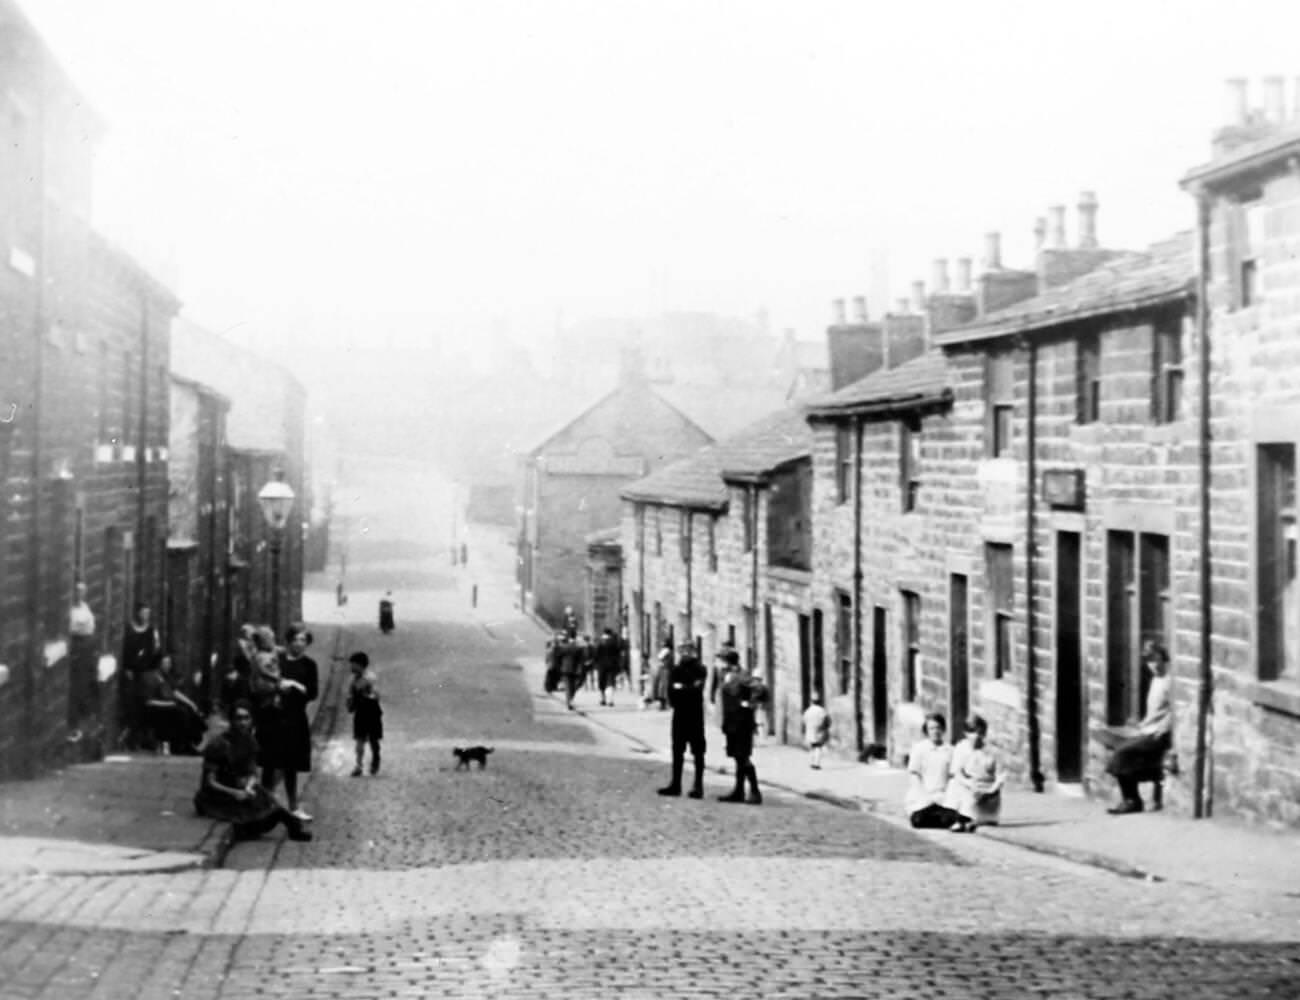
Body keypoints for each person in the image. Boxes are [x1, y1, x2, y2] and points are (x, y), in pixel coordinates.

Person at [194, 701, 312, 842]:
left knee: (271, 804)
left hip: (240, 787)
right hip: (216, 796)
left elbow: (252, 772)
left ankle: (294, 828)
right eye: (239, 718)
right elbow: (210, 782)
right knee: (246, 817)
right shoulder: (218, 744)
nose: (243, 723)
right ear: (231, 721)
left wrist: (250, 785)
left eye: (246, 718)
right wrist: (235, 792)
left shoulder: (250, 742)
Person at [1105, 639, 1173, 815]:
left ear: (1164, 658)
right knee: (1119, 750)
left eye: (1155, 659)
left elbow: (1175, 709)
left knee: (1122, 754)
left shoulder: (1170, 680)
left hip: (1159, 735)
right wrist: (1141, 725)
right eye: (1149, 661)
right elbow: (1155, 711)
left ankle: (1132, 800)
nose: (1152, 665)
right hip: (1148, 730)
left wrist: (1164, 726)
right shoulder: (1155, 680)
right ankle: (1131, 798)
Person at [269, 624, 319, 821]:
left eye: (303, 641)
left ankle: (292, 805)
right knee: (271, 762)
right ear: (288, 641)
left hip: (295, 716)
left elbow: (313, 693)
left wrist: (297, 688)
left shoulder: (309, 665)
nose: (299, 644)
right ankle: (268, 804)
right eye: (296, 640)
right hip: (274, 715)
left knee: (291, 764)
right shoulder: (278, 661)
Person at [657, 642, 709, 799]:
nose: (685, 654)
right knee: (677, 750)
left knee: (698, 751)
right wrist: (687, 688)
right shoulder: (676, 670)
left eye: (688, 651)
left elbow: (696, 689)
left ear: (693, 652)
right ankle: (676, 784)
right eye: (683, 651)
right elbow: (672, 692)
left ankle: (698, 786)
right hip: (680, 714)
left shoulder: (700, 669)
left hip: (695, 714)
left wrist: (683, 689)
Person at [717, 649, 767, 804]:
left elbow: (760, 688)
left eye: (720, 660)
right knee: (738, 758)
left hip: (742, 724)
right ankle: (738, 791)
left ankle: (755, 791)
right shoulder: (727, 676)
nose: (718, 663)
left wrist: (749, 704)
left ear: (726, 661)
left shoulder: (741, 675)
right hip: (732, 722)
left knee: (743, 757)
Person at [945, 714, 1004, 832]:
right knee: (954, 784)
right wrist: (970, 785)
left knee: (973, 802)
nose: (976, 736)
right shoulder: (961, 748)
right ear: (966, 734)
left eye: (980, 733)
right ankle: (964, 819)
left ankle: (970, 819)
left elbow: (1000, 777)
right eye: (972, 732)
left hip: (987, 791)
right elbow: (957, 773)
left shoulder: (993, 751)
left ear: (984, 734)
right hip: (970, 788)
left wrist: (990, 791)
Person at [138, 656, 206, 755]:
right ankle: (181, 746)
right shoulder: (151, 677)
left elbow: (174, 691)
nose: (168, 665)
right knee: (181, 713)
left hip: (170, 706)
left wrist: (190, 703)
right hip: (156, 708)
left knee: (189, 710)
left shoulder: (167, 676)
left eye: (169, 663)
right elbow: (149, 701)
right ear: (160, 664)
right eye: (166, 663)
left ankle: (192, 742)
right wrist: (168, 704)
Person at [905, 712, 958, 829]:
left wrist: (947, 795)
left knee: (948, 817)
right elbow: (914, 775)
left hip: (943, 796)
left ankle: (944, 818)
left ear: (943, 729)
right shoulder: (919, 749)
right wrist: (924, 795)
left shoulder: (950, 750)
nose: (935, 731)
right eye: (932, 728)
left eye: (938, 727)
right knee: (918, 820)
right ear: (927, 731)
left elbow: (953, 777)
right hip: (923, 797)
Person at [120, 602, 162, 748]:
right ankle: (133, 737)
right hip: (134, 673)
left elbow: (156, 651)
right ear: (138, 613)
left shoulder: (152, 631)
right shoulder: (131, 630)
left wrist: (152, 668)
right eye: (143, 612)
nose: (146, 615)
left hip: (146, 673)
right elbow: (127, 649)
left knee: (145, 704)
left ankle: (144, 737)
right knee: (132, 705)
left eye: (148, 613)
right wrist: (127, 667)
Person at [66, 581, 98, 743]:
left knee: (86, 686)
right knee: (76, 688)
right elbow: (73, 628)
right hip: (77, 649)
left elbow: (90, 627)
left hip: (87, 650)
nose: (81, 594)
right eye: (78, 591)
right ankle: (74, 726)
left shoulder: (85, 607)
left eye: (83, 591)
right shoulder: (71, 609)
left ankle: (83, 727)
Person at [346, 652, 383, 776]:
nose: (351, 667)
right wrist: (350, 703)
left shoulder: (370, 678)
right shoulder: (352, 679)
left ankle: (375, 760)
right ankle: (358, 765)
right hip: (360, 712)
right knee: (359, 739)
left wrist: (367, 694)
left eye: (353, 664)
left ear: (360, 665)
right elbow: (350, 695)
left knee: (374, 739)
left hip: (372, 711)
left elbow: (376, 695)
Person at [802, 693, 830, 770]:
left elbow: (804, 720)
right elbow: (826, 720)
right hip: (818, 730)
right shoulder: (822, 710)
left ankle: (811, 763)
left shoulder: (808, 710)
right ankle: (816, 764)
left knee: (812, 747)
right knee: (818, 747)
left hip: (810, 730)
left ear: (812, 701)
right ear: (819, 701)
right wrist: (824, 727)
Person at [595, 628, 622, 706]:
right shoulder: (614, 643)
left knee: (602, 683)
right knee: (610, 683)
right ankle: (610, 700)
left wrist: (596, 664)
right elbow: (618, 655)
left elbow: (596, 655)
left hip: (601, 666)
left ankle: (602, 699)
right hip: (612, 666)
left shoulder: (599, 642)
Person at [559, 632, 583, 710]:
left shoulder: (564, 647)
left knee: (568, 686)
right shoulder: (578, 648)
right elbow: (581, 660)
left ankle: (568, 701)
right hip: (575, 669)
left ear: (569, 639)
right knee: (573, 686)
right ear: (575, 639)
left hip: (565, 669)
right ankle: (570, 700)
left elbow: (559, 657)